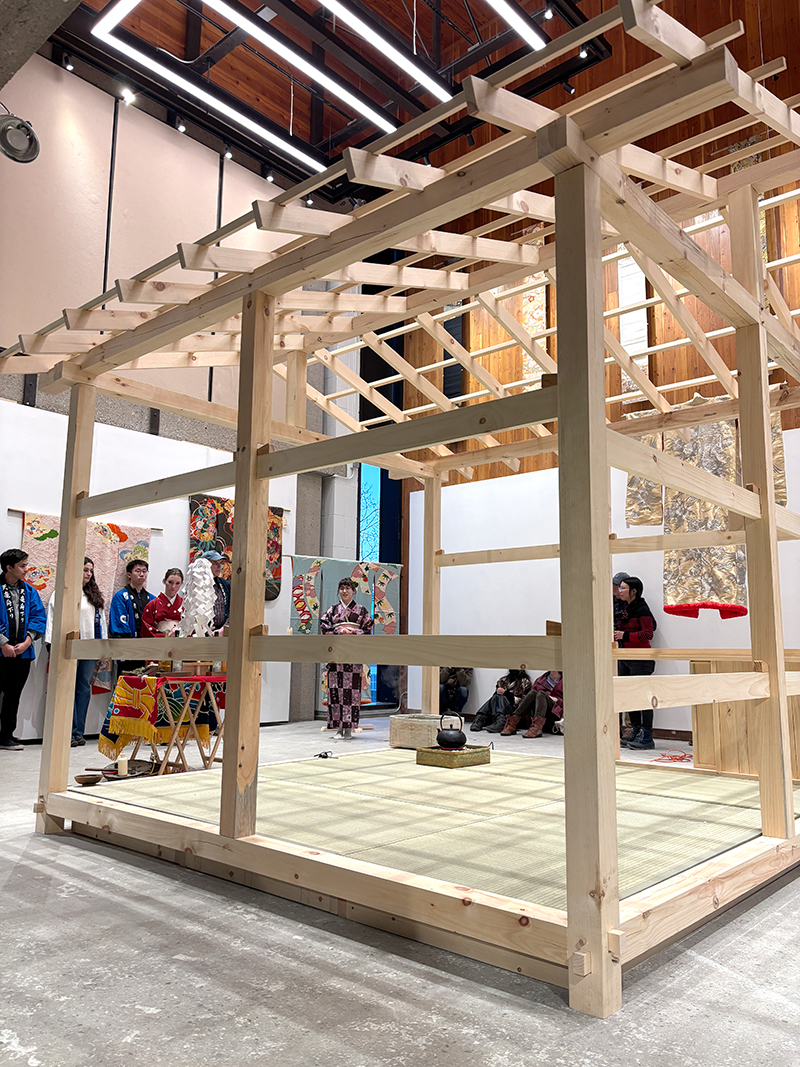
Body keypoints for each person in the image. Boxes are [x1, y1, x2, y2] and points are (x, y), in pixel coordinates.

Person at [45, 557, 108, 747]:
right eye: (84, 570)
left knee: (83, 688)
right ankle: (66, 731)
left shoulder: (93, 596)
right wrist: (52, 645)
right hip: (67, 648)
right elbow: (52, 619)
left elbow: (101, 623)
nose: (88, 574)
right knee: (67, 688)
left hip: (89, 648)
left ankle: (78, 731)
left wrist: (103, 647)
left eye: (91, 571)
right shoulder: (62, 593)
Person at [0, 548, 46, 750]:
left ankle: (6, 736)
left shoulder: (29, 591)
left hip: (22, 652)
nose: (26, 569)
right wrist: (3, 643)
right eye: (22, 566)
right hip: (1, 651)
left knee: (13, 695)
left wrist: (28, 641)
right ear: (9, 567)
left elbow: (38, 616)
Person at [319, 577, 373, 740]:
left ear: (353, 591)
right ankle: (338, 729)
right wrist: (338, 631)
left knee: (352, 693)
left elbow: (368, 628)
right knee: (335, 691)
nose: (345, 591)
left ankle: (348, 729)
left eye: (348, 588)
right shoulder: (332, 610)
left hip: (353, 654)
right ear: (339, 591)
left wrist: (353, 632)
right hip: (336, 654)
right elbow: (324, 626)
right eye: (342, 588)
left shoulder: (361, 610)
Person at [615, 576, 657, 750]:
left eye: (623, 588)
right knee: (629, 695)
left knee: (642, 697)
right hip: (625, 656)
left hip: (640, 658)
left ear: (634, 591)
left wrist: (624, 635)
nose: (620, 591)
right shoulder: (624, 608)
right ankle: (635, 730)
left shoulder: (642, 609)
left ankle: (646, 735)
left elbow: (648, 633)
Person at [108, 559, 154, 673]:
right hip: (127, 648)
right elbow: (119, 624)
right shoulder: (120, 596)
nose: (142, 574)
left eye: (144, 571)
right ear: (129, 574)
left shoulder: (152, 599)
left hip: (147, 649)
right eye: (138, 571)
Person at [470, 669, 531, 734]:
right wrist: (497, 692)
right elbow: (495, 700)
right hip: (499, 710)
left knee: (502, 697)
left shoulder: (525, 682)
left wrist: (507, 694)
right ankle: (481, 718)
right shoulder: (503, 680)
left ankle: (501, 721)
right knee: (496, 697)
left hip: (514, 712)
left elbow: (524, 702)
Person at [512, 670, 563, 738]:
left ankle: (537, 727)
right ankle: (512, 722)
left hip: (556, 715)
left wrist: (557, 700)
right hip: (538, 713)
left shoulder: (566, 680)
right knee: (533, 693)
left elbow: (573, 701)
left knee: (541, 694)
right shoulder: (540, 680)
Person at [141, 568, 184, 639]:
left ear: (181, 583)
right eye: (170, 582)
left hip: (180, 641)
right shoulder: (152, 605)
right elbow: (147, 629)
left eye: (177, 583)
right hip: (159, 642)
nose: (173, 586)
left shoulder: (185, 605)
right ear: (164, 581)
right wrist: (165, 635)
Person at [199, 550, 230, 635]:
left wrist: (224, 628)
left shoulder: (225, 585)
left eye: (220, 563)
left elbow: (232, 609)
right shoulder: (195, 586)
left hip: (222, 633)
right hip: (202, 634)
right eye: (215, 563)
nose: (219, 566)